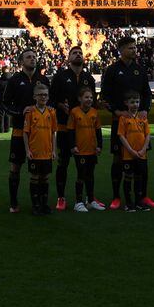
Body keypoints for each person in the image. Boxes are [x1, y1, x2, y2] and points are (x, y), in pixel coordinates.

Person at [100, 35, 154, 209]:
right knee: (118, 160)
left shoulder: (140, 69)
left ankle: (143, 196)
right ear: (121, 50)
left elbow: (147, 93)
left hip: (139, 123)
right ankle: (116, 197)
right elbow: (105, 95)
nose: (134, 50)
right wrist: (116, 111)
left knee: (142, 159)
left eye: (135, 47)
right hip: (121, 121)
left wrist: (145, 109)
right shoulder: (112, 70)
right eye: (131, 48)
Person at [2, 49, 44, 213]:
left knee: (40, 170)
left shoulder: (42, 80)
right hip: (20, 131)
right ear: (21, 62)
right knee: (15, 168)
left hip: (39, 132)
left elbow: (50, 101)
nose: (32, 59)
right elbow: (5, 104)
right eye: (29, 57)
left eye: (34, 56)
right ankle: (13, 202)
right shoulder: (14, 80)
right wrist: (20, 111)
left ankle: (39, 202)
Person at [49, 45, 89, 211]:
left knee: (83, 165)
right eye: (74, 53)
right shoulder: (60, 77)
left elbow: (90, 101)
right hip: (65, 127)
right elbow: (51, 100)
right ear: (68, 58)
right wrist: (60, 106)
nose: (78, 55)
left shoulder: (88, 78)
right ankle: (61, 197)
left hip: (83, 129)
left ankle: (81, 199)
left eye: (80, 53)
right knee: (63, 164)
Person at [24, 82, 58, 214]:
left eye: (45, 95)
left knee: (45, 178)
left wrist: (54, 150)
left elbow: (54, 132)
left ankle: (44, 204)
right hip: (34, 151)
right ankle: (35, 204)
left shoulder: (52, 112)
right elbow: (25, 133)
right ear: (34, 97)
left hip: (47, 152)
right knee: (34, 177)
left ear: (48, 97)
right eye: (40, 95)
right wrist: (27, 150)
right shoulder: (30, 112)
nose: (43, 97)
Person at [69, 88, 105, 211]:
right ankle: (78, 202)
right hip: (80, 150)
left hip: (92, 149)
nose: (89, 99)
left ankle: (90, 200)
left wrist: (99, 146)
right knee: (81, 174)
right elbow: (71, 131)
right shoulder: (74, 112)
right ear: (80, 98)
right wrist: (73, 146)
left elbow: (98, 131)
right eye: (86, 97)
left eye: (91, 97)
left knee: (90, 175)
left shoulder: (94, 112)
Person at [118, 91, 151, 212]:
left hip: (141, 154)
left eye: (137, 102)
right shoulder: (123, 118)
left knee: (139, 178)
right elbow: (121, 136)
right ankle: (128, 203)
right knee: (128, 177)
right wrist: (131, 150)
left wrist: (143, 150)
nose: (135, 104)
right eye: (132, 102)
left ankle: (139, 202)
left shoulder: (143, 118)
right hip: (128, 155)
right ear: (126, 103)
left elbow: (147, 135)